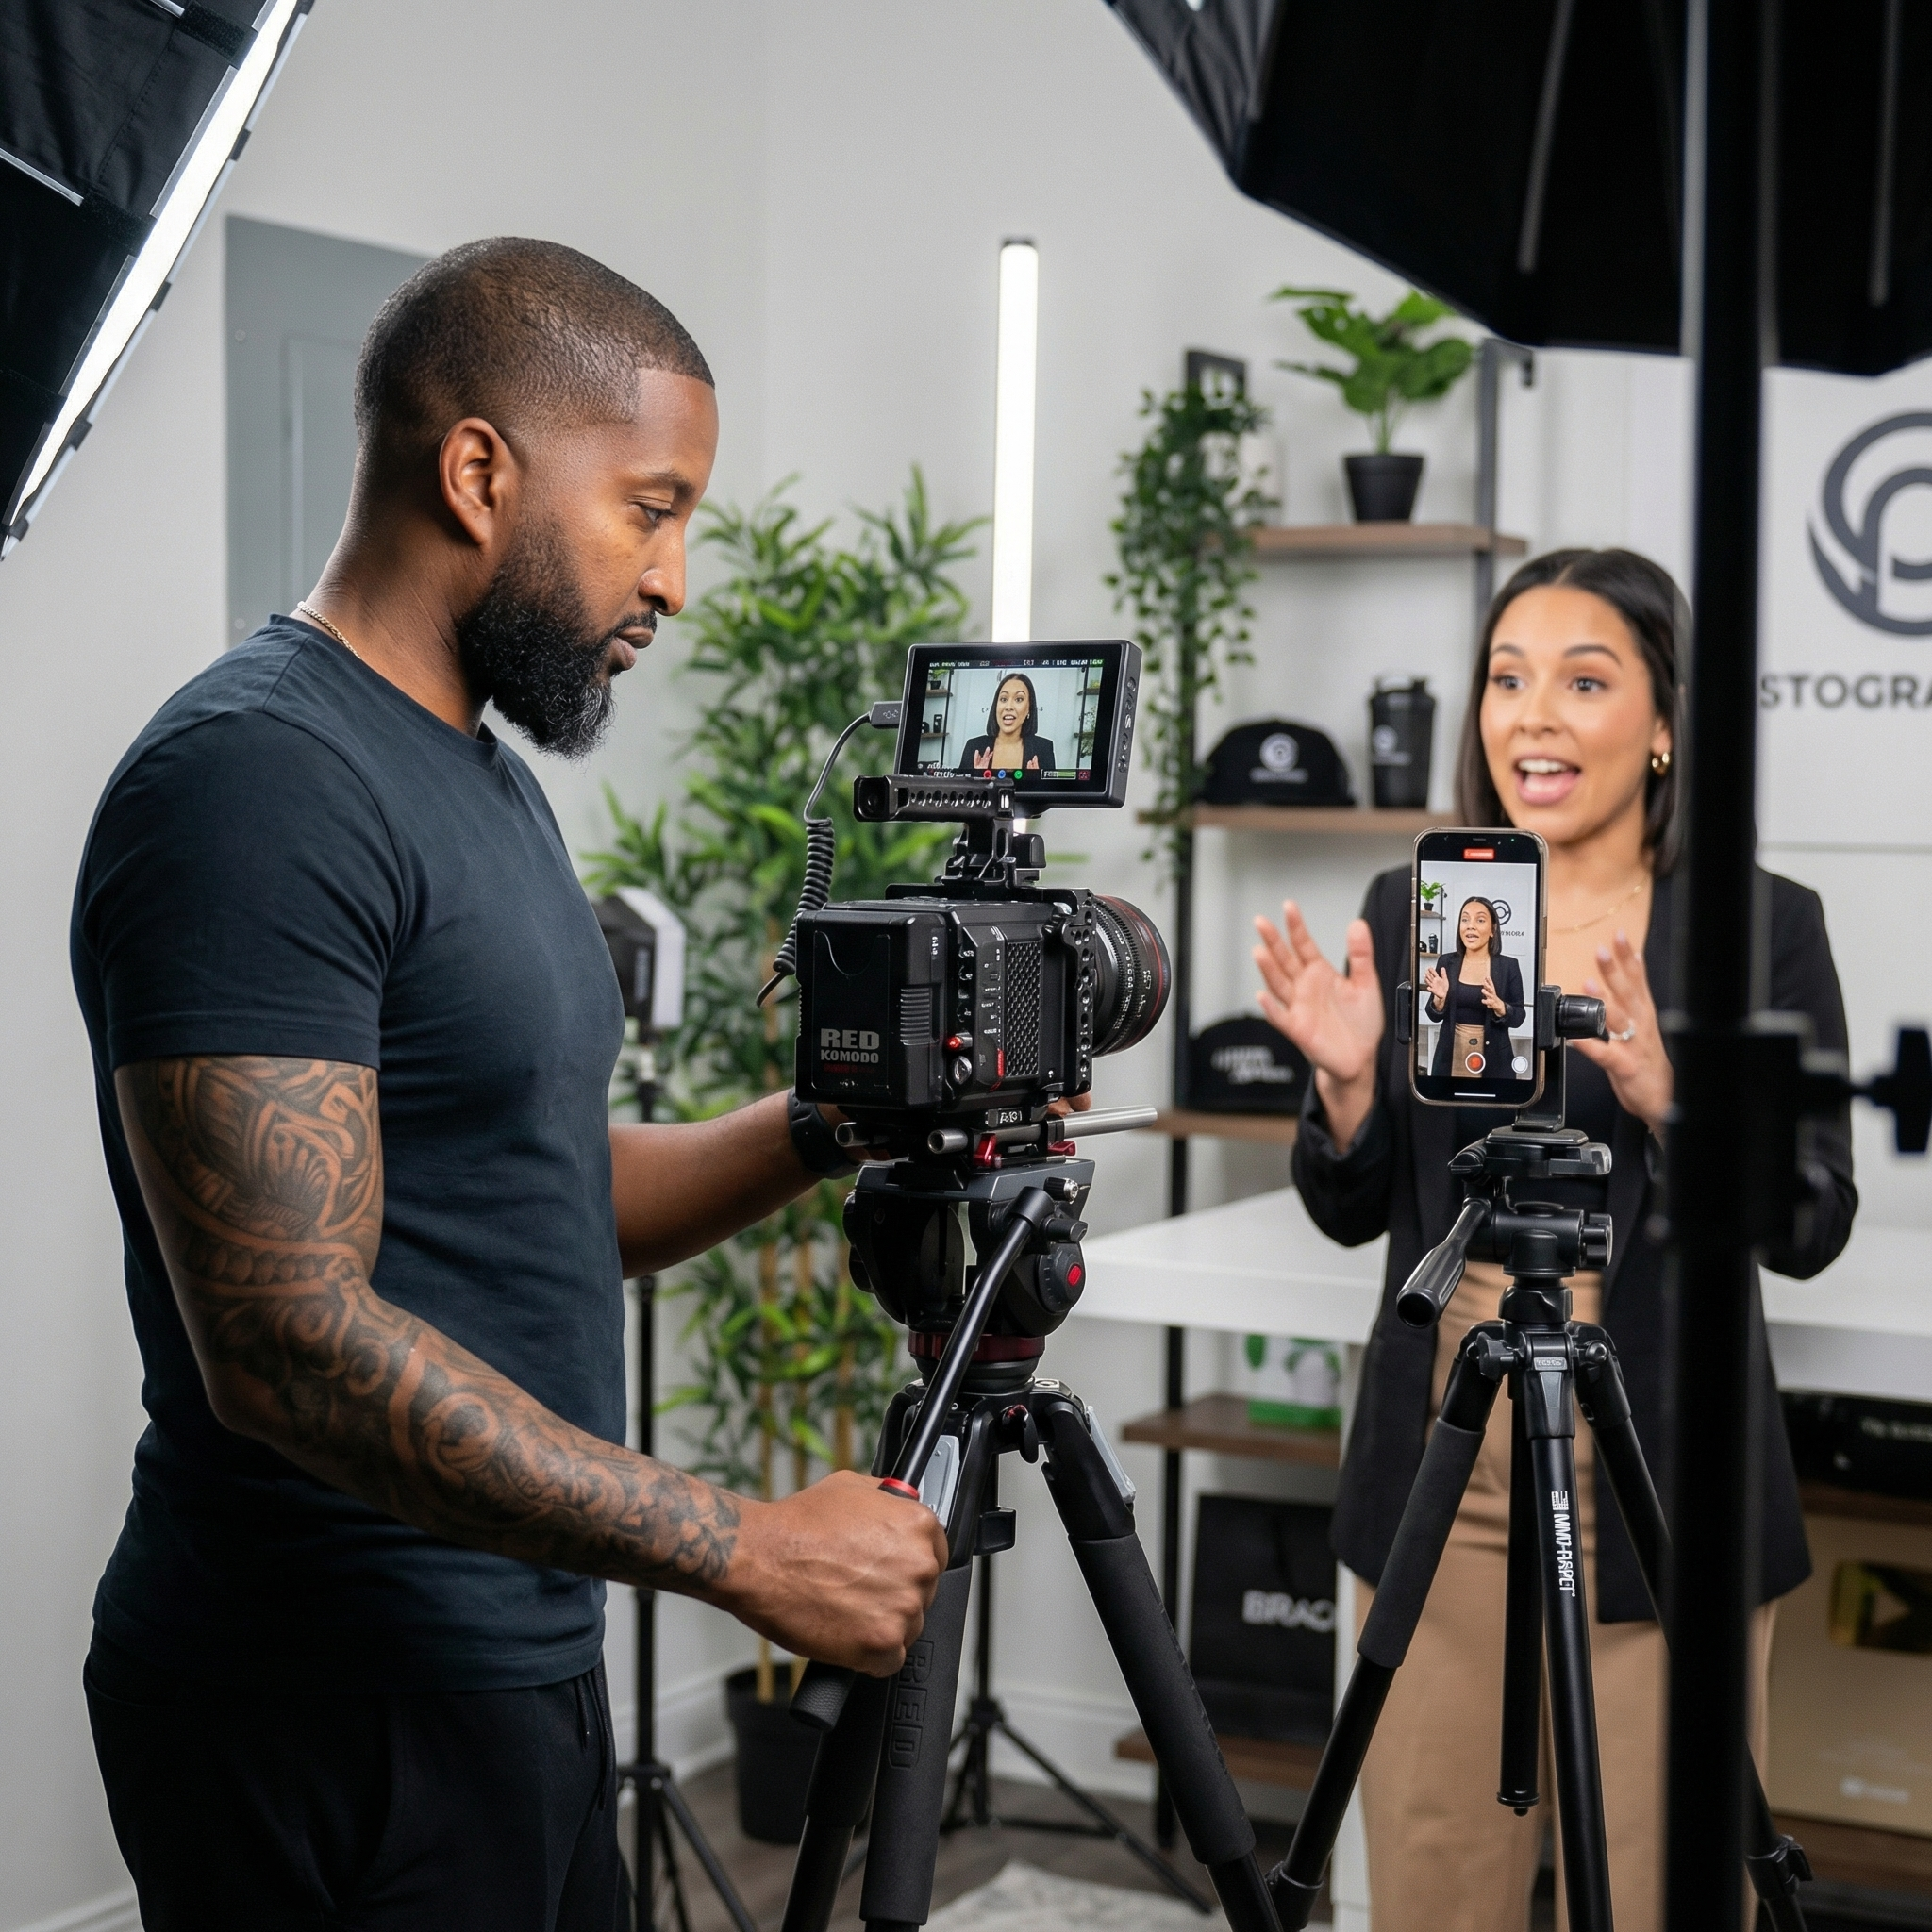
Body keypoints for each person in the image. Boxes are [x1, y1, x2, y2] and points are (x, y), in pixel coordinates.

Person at [70, 238, 947, 1931]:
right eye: (651, 505)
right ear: (479, 470)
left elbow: (534, 1183)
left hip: (511, 1665)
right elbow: (283, 1340)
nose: (675, 579)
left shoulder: (474, 771)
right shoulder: (258, 780)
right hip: (327, 1698)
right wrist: (743, 1545)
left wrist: (824, 1124)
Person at [1252, 548, 1856, 1932]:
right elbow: (1357, 1208)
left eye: (1585, 682)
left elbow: (1814, 1216)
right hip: (1445, 1446)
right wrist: (1347, 1090)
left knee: (1660, 1883)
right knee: (1430, 1872)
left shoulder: (1761, 929)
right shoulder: (1415, 910)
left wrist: (1673, 1103)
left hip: (1665, 1460)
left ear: (1661, 726)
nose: (1533, 717)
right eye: (1507, 679)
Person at [1422, 894, 1524, 1079]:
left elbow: (1519, 1017)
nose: (1470, 925)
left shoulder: (1509, 966)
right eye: (1465, 919)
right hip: (1450, 1056)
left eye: (1480, 920)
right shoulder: (1447, 962)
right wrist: (1439, 1000)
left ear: (1493, 929)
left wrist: (1500, 1006)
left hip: (1494, 1060)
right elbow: (1433, 1015)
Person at [957, 670, 1056, 774]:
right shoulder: (973, 746)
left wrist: (1035, 781)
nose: (1008, 707)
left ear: (1029, 709)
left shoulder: (1044, 748)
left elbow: (1051, 790)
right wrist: (976, 780)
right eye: (1003, 699)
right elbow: (959, 789)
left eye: (1018, 699)